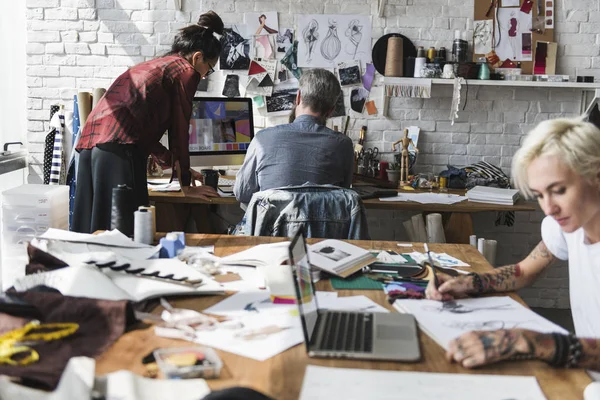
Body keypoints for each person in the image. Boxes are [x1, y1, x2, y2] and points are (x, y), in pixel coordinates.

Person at [425, 117, 600, 376]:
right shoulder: (567, 223)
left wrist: (527, 342)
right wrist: (469, 282)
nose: (548, 208)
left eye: (559, 190)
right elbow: (525, 271)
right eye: (540, 195)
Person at [72, 12, 224, 234]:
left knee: (92, 228)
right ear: (197, 57)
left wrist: (175, 165)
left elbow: (141, 131)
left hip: (91, 143)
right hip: (119, 149)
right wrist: (185, 186)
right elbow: (180, 130)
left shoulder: (159, 64)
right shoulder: (186, 72)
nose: (204, 76)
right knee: (125, 232)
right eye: (209, 69)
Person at [233, 68, 354, 204]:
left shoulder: (262, 139)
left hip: (271, 224)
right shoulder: (344, 145)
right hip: (322, 224)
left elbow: (242, 193)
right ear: (331, 111)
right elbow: (343, 194)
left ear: (298, 97)